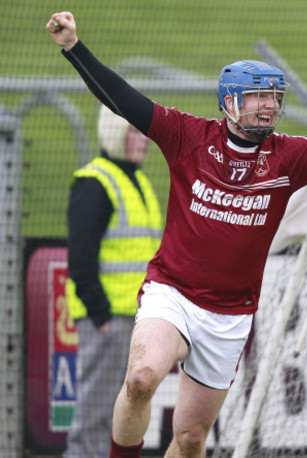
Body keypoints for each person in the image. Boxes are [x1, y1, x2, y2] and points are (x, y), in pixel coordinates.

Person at [47, 10, 307, 458]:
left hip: (229, 316)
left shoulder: (288, 156)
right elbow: (124, 99)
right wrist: (74, 47)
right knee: (140, 379)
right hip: (171, 292)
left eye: (274, 96)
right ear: (230, 103)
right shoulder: (187, 136)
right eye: (258, 97)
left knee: (192, 438)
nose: (270, 105)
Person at [64, 104, 162, 457]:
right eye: (133, 133)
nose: (143, 141)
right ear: (114, 134)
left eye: (143, 133)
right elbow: (80, 258)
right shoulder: (96, 182)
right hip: (110, 322)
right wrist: (101, 316)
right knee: (96, 414)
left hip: (135, 320)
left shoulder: (138, 182)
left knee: (120, 416)